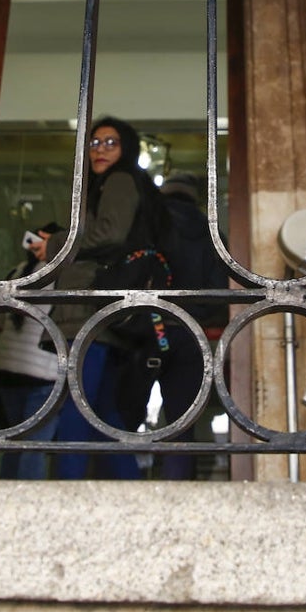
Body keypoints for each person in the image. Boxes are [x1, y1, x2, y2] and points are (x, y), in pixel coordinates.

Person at [30, 116, 168, 479]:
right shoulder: (110, 185)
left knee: (77, 407)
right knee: (103, 411)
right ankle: (130, 486)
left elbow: (110, 233)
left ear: (127, 149)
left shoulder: (120, 180)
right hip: (98, 313)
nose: (100, 150)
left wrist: (56, 245)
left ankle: (66, 492)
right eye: (94, 143)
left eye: (110, 143)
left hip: (90, 312)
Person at [116, 171, 230, 479]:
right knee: (181, 423)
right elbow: (219, 291)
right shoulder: (211, 232)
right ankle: (176, 492)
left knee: (123, 419)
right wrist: (196, 314)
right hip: (188, 332)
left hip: (145, 331)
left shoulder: (148, 222)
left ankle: (122, 487)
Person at [0, 224, 63, 480]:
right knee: (34, 447)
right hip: (42, 371)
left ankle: (5, 499)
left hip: (9, 368)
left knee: (13, 444)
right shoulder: (60, 275)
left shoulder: (18, 273)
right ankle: (27, 504)